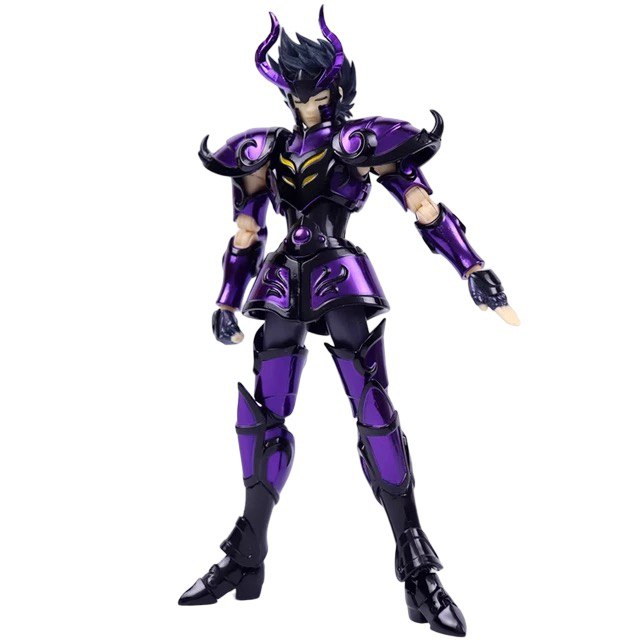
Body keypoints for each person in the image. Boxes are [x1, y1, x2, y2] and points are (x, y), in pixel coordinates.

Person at [179, 8, 519, 637]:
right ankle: (247, 553)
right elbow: (247, 231)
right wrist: (226, 299)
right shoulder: (267, 149)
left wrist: (473, 268)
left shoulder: (358, 142)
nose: (304, 103)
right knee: (264, 414)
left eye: (314, 92)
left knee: (373, 408)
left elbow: (423, 205)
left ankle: (417, 567)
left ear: (336, 90)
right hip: (281, 281)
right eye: (295, 92)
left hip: (338, 273)